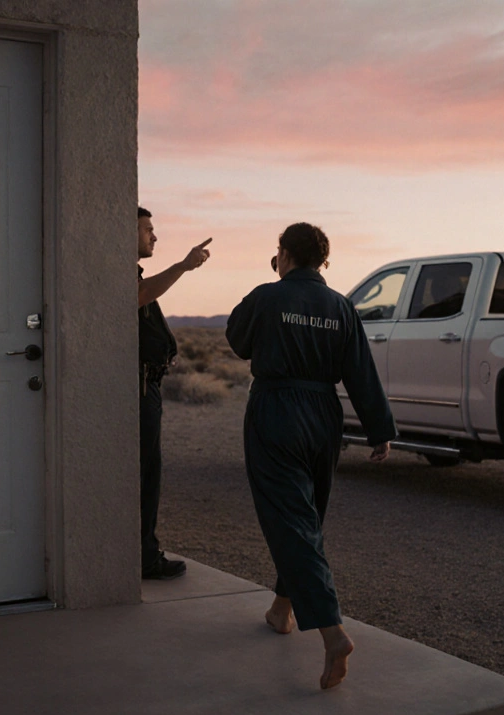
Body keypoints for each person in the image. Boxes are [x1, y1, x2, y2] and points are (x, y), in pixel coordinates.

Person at [225, 222, 396, 690]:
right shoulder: (341, 306)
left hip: (276, 411)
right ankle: (282, 609)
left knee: (291, 520)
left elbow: (238, 341)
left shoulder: (267, 295)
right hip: (324, 416)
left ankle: (332, 632)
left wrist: (274, 284)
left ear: (283, 253)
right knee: (305, 517)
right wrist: (380, 430)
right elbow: (360, 369)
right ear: (323, 261)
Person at [138, 206, 212, 580]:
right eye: (148, 229)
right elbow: (140, 294)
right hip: (136, 388)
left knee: (149, 471)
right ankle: (143, 557)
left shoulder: (134, 275)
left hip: (147, 384)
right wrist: (183, 266)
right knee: (144, 473)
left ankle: (143, 551)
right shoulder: (128, 279)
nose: (154, 236)